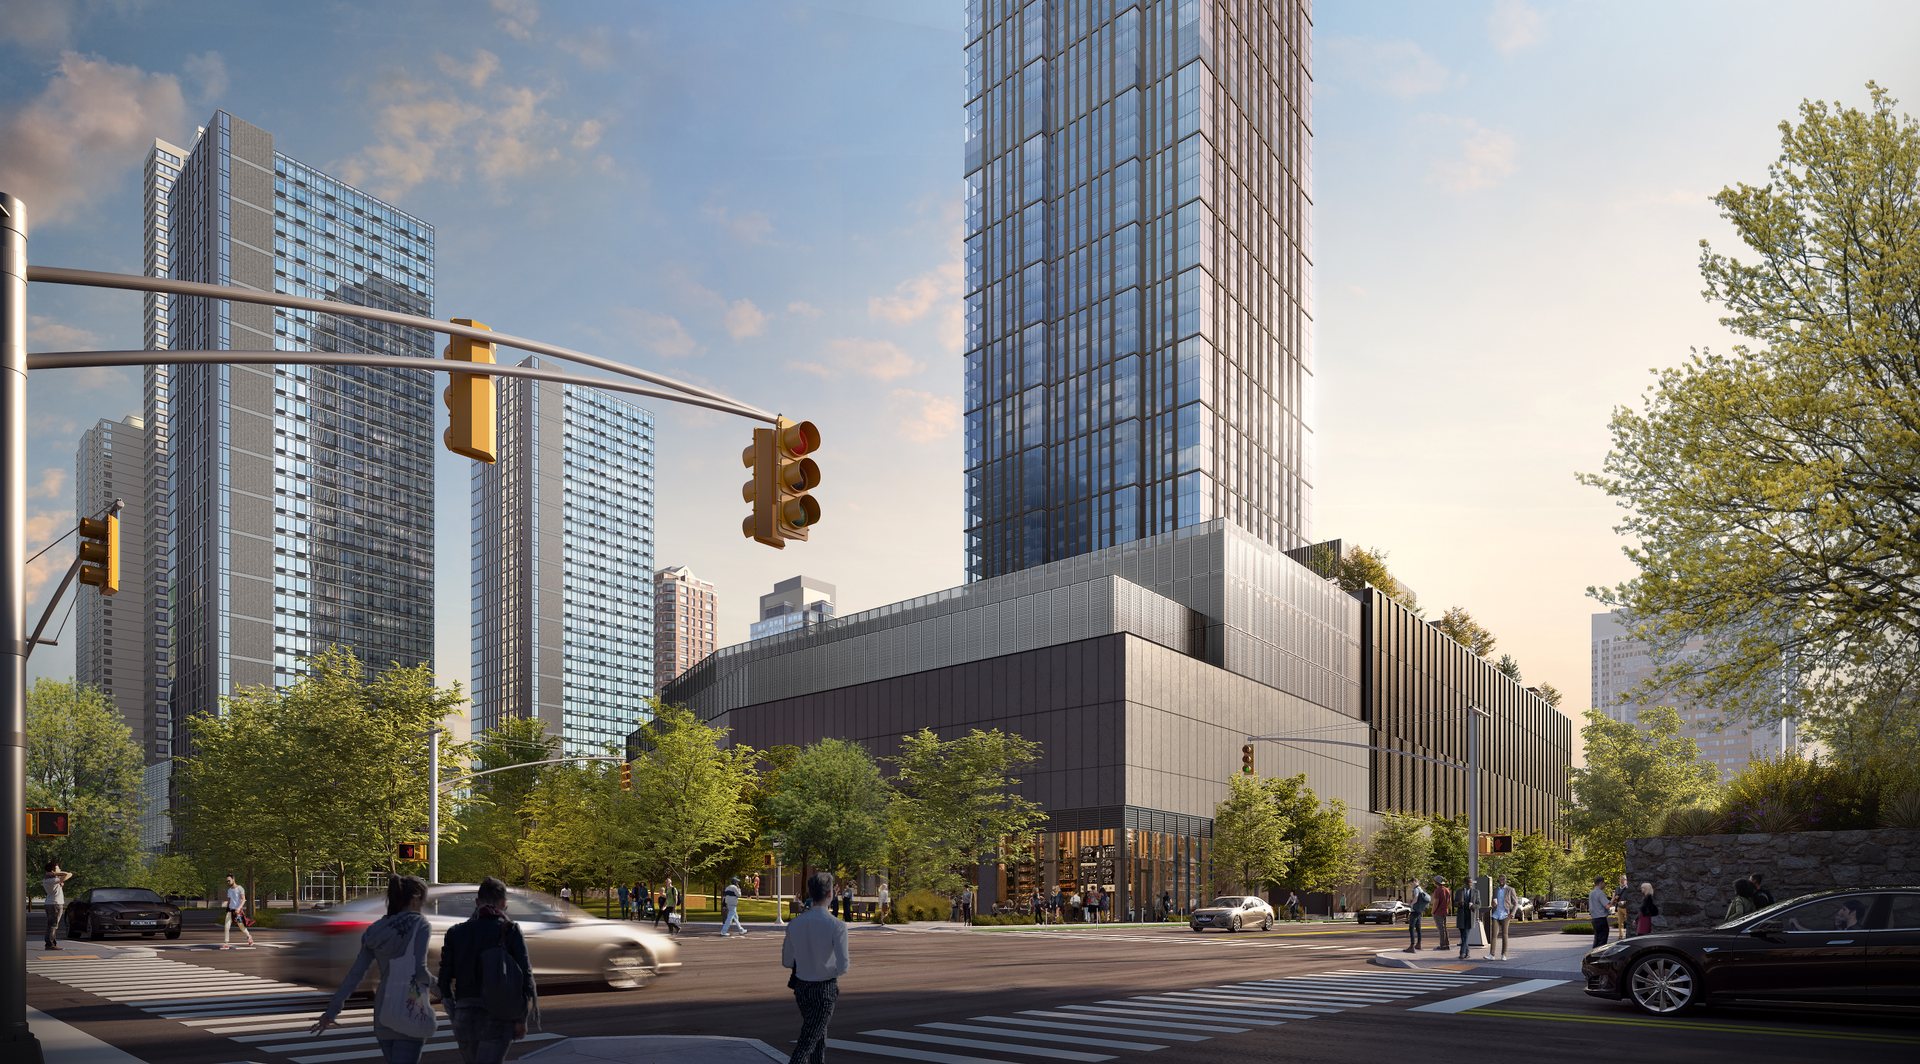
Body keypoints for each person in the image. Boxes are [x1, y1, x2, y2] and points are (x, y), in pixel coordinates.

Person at [312, 875, 433, 1063]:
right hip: (410, 1007)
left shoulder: (375, 929)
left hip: (383, 1011)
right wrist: (449, 997)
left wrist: (332, 1011)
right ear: (416, 898)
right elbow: (420, 970)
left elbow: (355, 975)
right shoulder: (420, 924)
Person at [438, 877, 535, 1064]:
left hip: (465, 1015)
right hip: (498, 1015)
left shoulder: (455, 933)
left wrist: (454, 1012)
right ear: (504, 903)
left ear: (477, 902)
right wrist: (521, 1017)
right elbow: (525, 975)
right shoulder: (509, 930)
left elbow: (444, 981)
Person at [782, 872, 850, 1064]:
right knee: (808, 1041)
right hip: (824, 988)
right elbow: (843, 965)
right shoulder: (837, 925)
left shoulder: (795, 924)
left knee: (817, 1035)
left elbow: (788, 961)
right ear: (830, 894)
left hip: (802, 988)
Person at [41, 861, 72, 951]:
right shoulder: (52, 880)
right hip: (55, 904)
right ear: (53, 870)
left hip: (50, 903)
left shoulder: (48, 879)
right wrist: (55, 873)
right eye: (58, 868)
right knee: (53, 925)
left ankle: (50, 943)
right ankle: (50, 944)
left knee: (51, 925)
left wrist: (54, 873)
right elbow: (68, 874)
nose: (60, 869)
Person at [1488, 875, 1518, 960]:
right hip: (1496, 914)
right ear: (1498, 880)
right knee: (1494, 935)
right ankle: (1492, 954)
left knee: (1504, 934)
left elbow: (1516, 903)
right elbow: (1493, 901)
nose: (1501, 880)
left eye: (1503, 879)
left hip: (1505, 914)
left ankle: (1504, 954)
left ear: (1505, 880)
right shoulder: (1495, 890)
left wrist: (1512, 913)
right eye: (1500, 879)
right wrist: (1493, 904)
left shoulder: (1510, 889)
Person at [223, 874, 256, 949]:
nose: (228, 882)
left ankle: (249, 936)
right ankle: (226, 942)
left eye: (229, 880)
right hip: (230, 911)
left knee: (241, 926)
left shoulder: (240, 888)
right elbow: (229, 900)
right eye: (227, 881)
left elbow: (243, 899)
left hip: (237, 912)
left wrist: (239, 908)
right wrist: (227, 908)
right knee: (226, 926)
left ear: (233, 879)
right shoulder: (229, 890)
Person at [1454, 880, 1477, 960]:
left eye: (1471, 883)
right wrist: (1459, 903)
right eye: (1468, 883)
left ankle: (1462, 953)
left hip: (1470, 917)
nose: (1470, 885)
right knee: (1463, 936)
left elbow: (1479, 904)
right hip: (1461, 916)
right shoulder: (1459, 891)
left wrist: (1473, 906)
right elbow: (1454, 903)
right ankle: (1467, 953)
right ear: (1465, 884)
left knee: (1465, 935)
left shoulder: (1475, 892)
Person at [1405, 878, 1429, 952]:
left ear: (1415, 882)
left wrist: (1411, 904)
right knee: (1418, 928)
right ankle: (1418, 944)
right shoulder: (1420, 889)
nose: (1411, 885)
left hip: (1414, 911)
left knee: (1411, 928)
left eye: (1411, 884)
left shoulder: (1416, 889)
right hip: (1419, 910)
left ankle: (1412, 946)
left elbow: (1416, 898)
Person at [1588, 875, 1612, 948]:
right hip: (1601, 918)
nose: (1604, 884)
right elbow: (1607, 906)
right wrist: (1613, 899)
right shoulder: (1600, 893)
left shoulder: (1591, 893)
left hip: (1594, 919)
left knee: (1597, 939)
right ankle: (1599, 956)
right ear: (1601, 883)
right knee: (1602, 940)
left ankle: (1593, 956)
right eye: (1604, 883)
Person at [1431, 877, 1452, 951]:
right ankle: (1446, 944)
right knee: (1444, 928)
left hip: (1438, 912)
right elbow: (1449, 901)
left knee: (1441, 929)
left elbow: (1436, 902)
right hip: (1444, 911)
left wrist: (1433, 911)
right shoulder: (1447, 890)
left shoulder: (1437, 890)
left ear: (1436, 882)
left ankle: (1442, 945)